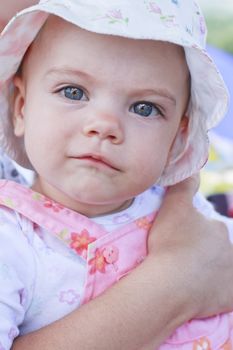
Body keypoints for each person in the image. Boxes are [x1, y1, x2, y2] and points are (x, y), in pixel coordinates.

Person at [0, 1, 233, 349]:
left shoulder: (185, 212)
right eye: (73, 92)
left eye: (145, 108)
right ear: (21, 108)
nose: (105, 126)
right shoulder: (11, 244)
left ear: (178, 140)